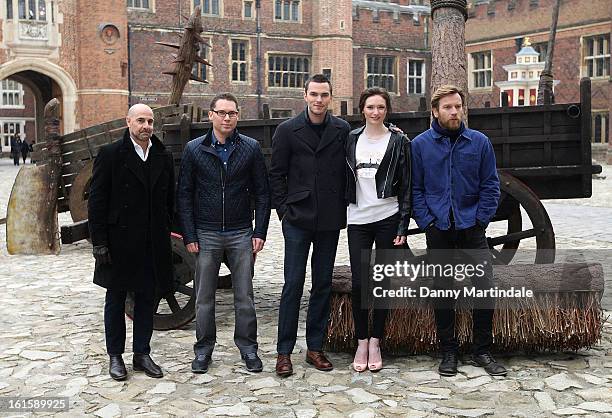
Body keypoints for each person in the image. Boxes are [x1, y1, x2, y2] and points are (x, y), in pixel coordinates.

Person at [411, 85, 506, 377]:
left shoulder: (479, 143)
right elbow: (415, 188)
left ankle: (481, 351)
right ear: (435, 111)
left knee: (484, 288)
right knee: (442, 291)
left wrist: (480, 220)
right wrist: (426, 220)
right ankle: (449, 352)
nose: (454, 112)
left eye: (458, 106)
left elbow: (491, 184)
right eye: (448, 107)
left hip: (471, 227)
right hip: (437, 227)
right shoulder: (420, 145)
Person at [177, 93, 271, 374]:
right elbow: (184, 195)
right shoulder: (194, 149)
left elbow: (263, 194)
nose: (227, 118)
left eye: (232, 113)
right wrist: (190, 235)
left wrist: (260, 231)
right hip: (206, 233)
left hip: (241, 232)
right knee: (204, 298)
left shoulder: (250, 147)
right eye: (222, 113)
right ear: (211, 115)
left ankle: (248, 349)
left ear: (238, 115)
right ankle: (203, 350)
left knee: (245, 296)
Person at [269, 74, 351, 377]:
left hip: (329, 218)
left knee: (322, 284)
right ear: (304, 96)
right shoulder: (288, 130)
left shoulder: (342, 130)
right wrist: (284, 212)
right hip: (297, 218)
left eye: (324, 95)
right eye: (314, 94)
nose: (319, 100)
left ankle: (315, 347)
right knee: (292, 284)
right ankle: (284, 352)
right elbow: (276, 174)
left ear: (330, 98)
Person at [88, 103, 175, 381]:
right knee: (115, 300)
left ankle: (142, 354)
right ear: (128, 122)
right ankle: (115, 356)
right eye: (140, 120)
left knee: (147, 299)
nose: (146, 126)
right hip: (119, 242)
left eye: (150, 121)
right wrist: (99, 242)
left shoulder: (163, 156)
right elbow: (97, 202)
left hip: (152, 241)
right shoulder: (111, 154)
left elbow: (169, 202)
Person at [345, 87, 411, 372]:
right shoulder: (350, 139)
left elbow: (407, 184)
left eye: (381, 107)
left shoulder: (398, 140)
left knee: (383, 283)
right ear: (362, 109)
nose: (375, 112)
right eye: (370, 107)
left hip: (387, 216)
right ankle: (361, 341)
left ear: (387, 110)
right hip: (358, 218)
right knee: (360, 284)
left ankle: (376, 340)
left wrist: (403, 224)